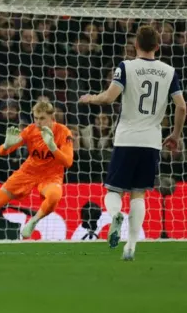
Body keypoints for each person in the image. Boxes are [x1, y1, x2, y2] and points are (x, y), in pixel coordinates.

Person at [79, 25, 186, 260]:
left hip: (127, 138)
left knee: (113, 190)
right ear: (158, 46)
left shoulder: (125, 67)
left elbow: (108, 98)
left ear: (135, 45)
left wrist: (89, 98)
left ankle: (116, 214)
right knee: (139, 194)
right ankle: (131, 247)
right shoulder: (169, 71)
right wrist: (176, 136)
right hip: (152, 142)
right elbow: (182, 106)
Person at [0, 101, 73, 244]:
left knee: (54, 197)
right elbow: (2, 152)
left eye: (42, 118)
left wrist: (52, 147)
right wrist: (6, 145)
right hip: (27, 173)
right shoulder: (30, 130)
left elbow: (68, 162)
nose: (38, 122)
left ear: (52, 118)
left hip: (50, 176)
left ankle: (33, 221)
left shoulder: (64, 132)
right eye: (36, 118)